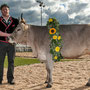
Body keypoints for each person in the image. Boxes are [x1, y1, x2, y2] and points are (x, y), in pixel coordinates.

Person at [0, 4, 19, 85]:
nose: (5, 10)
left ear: (9, 10)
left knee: (11, 61)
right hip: (1, 43)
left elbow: (19, 32)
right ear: (1, 11)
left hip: (12, 44)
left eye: (6, 9)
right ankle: (0, 79)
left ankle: (10, 79)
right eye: (3, 9)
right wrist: (10, 35)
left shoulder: (15, 20)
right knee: (0, 62)